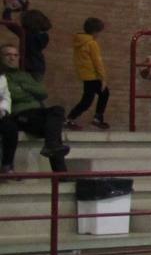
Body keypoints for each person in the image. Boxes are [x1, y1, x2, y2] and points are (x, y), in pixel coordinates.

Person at [2, 41, 70, 174]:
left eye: (15, 55)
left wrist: (23, 86)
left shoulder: (24, 75)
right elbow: (15, 96)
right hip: (19, 115)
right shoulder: (3, 77)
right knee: (53, 129)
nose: (12, 58)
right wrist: (28, 91)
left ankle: (52, 149)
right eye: (8, 55)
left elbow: (42, 92)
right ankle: (60, 170)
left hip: (36, 113)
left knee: (57, 112)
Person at [65, 17, 111, 130]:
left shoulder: (79, 42)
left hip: (85, 75)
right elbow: (97, 61)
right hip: (93, 75)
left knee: (90, 98)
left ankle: (74, 118)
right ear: (95, 32)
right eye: (99, 32)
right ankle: (93, 118)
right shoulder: (92, 43)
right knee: (95, 97)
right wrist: (103, 77)